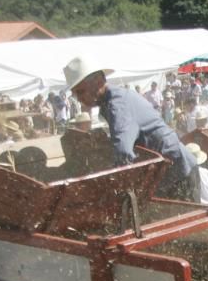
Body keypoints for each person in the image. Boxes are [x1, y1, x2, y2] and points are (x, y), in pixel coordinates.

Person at [64, 56, 198, 200]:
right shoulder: (113, 101)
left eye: (81, 92)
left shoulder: (118, 106)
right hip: (165, 170)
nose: (78, 98)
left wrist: (111, 187)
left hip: (177, 172)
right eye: (76, 93)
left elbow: (123, 153)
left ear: (98, 81)